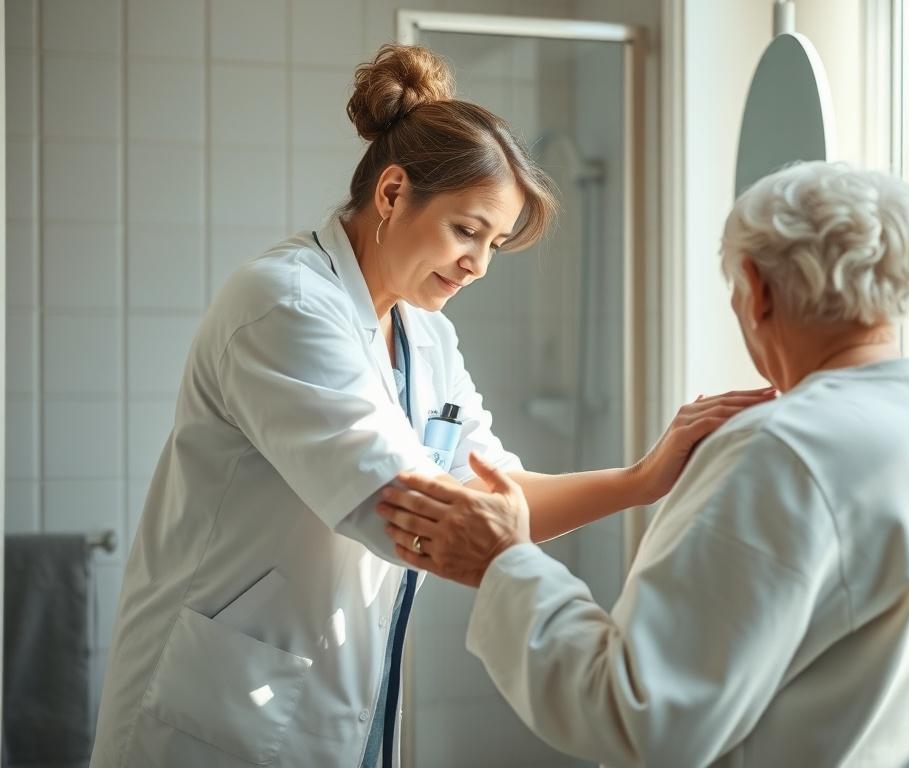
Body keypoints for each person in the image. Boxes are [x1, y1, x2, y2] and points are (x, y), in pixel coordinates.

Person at [90, 44, 772, 768]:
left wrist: (647, 477)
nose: (479, 264)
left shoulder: (426, 334)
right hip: (213, 716)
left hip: (327, 696)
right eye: (466, 230)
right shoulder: (283, 306)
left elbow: (494, 495)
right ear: (391, 195)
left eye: (495, 244)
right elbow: (419, 521)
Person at [379, 162, 909, 767]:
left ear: (755, 290)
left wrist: (503, 562)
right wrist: (638, 481)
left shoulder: (780, 450)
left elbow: (640, 715)